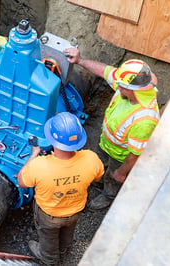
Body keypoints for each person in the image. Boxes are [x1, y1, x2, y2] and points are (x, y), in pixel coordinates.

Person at [64, 47, 160, 210]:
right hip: (105, 143)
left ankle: (108, 195)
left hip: (120, 156)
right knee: (99, 164)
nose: (117, 87)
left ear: (134, 89)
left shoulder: (145, 119)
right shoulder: (129, 88)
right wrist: (80, 61)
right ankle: (99, 180)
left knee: (113, 177)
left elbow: (135, 153)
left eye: (121, 86)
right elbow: (105, 71)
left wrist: (122, 172)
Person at [18, 112, 104, 265]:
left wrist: (34, 155)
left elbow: (22, 182)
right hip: (75, 210)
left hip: (49, 216)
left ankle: (49, 259)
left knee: (48, 237)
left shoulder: (39, 166)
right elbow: (97, 177)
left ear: (52, 139)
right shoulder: (91, 158)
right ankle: (64, 249)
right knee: (67, 232)